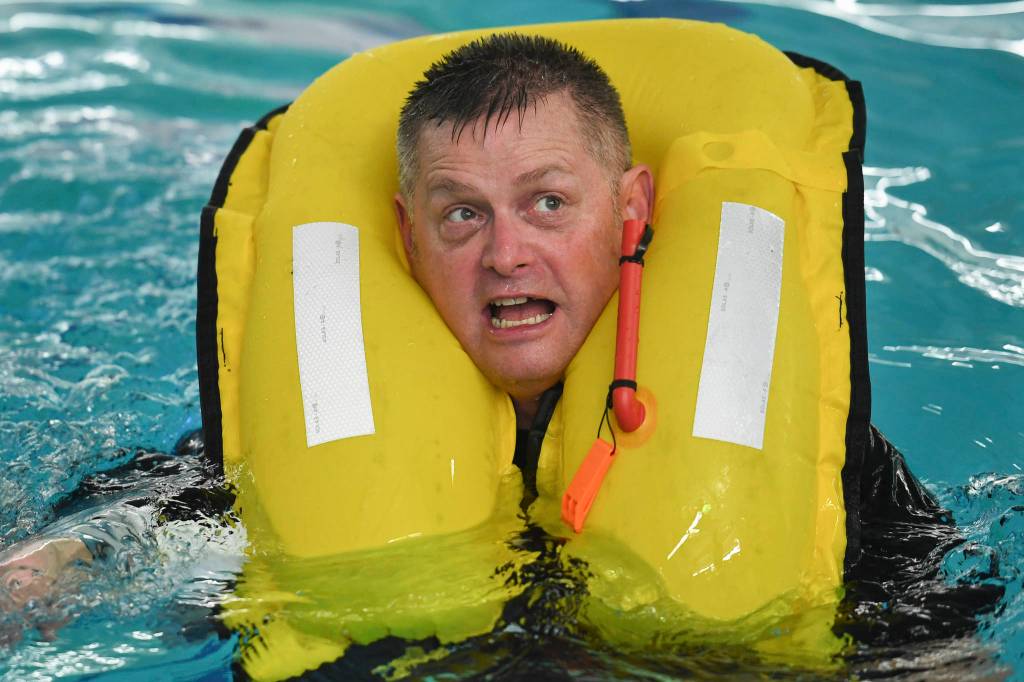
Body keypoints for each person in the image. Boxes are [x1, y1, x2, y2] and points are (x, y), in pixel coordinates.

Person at [0, 32, 1000, 673]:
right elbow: (142, 527)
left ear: (632, 209)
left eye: (546, 203)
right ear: (406, 235)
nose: (505, 252)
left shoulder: (836, 472)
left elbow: (945, 654)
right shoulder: (290, 430)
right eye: (461, 214)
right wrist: (47, 570)